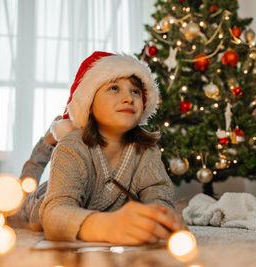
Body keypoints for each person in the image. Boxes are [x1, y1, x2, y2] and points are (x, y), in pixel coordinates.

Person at [22, 51, 188, 244]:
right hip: (41, 200)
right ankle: (47, 142)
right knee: (19, 196)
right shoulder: (72, 146)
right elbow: (55, 214)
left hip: (97, 209)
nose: (128, 98)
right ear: (89, 104)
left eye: (135, 91)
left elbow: (158, 196)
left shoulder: (147, 152)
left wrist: (163, 217)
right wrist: (104, 226)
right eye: (114, 88)